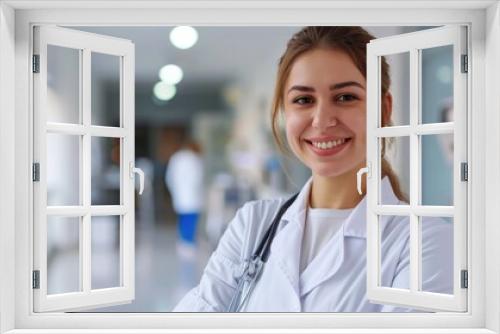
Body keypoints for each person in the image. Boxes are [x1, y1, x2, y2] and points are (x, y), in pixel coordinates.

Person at [173, 26, 452, 312]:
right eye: (303, 100)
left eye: (345, 97)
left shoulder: (423, 243)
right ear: (285, 111)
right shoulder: (253, 224)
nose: (321, 120)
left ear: (383, 109)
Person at [165, 140, 204, 245]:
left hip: (179, 194)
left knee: (183, 218)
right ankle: (188, 241)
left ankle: (183, 239)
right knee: (190, 219)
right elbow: (198, 179)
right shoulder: (195, 159)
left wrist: (174, 191)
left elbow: (169, 178)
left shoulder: (176, 158)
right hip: (192, 196)